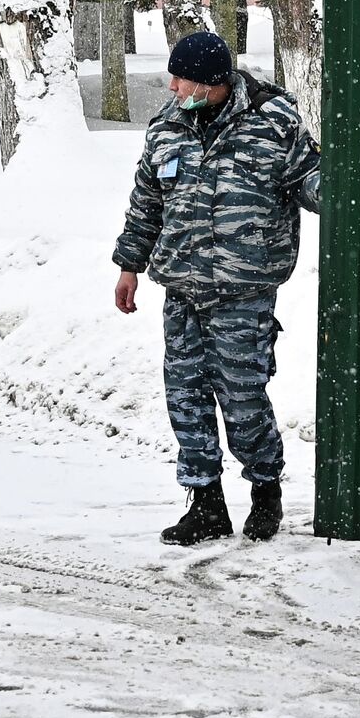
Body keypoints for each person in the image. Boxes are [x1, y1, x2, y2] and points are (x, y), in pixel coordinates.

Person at [111, 30, 322, 545]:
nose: (173, 85)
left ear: (213, 82)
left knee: (244, 397)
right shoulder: (168, 126)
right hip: (181, 292)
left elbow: (313, 181)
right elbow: (147, 203)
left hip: (243, 293)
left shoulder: (274, 124)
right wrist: (128, 265)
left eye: (182, 78)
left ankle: (265, 493)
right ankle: (204, 503)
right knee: (186, 398)